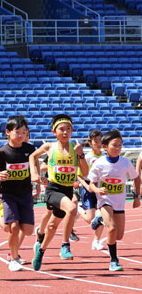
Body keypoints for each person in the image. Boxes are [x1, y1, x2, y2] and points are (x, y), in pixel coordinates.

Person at [30, 114, 88, 271]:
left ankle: (40, 251)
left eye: (68, 129)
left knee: (52, 226)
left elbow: (85, 171)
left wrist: (81, 155)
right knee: (71, 208)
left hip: (67, 190)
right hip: (53, 190)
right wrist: (35, 174)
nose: (65, 132)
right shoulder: (49, 147)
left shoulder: (75, 149)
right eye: (61, 129)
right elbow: (32, 156)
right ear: (53, 132)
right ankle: (65, 245)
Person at [0, 116, 36, 271]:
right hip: (8, 194)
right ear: (8, 132)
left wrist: (39, 180)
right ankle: (14, 259)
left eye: (24, 132)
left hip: (25, 194)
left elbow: (35, 166)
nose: (21, 135)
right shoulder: (2, 152)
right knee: (13, 227)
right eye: (18, 132)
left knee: (27, 230)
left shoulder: (30, 150)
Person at [88, 129, 140, 271]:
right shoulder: (99, 163)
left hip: (119, 202)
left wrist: (137, 197)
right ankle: (114, 261)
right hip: (104, 201)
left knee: (119, 235)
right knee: (111, 229)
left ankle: (99, 220)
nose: (118, 148)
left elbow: (136, 177)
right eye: (114, 145)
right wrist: (97, 190)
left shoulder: (125, 163)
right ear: (105, 147)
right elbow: (91, 182)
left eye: (120, 145)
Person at [78, 129, 106, 251]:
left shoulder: (105, 157)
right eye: (95, 141)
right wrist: (85, 185)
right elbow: (79, 175)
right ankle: (78, 210)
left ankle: (96, 241)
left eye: (100, 140)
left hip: (101, 188)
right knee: (90, 219)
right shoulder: (88, 157)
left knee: (103, 215)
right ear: (90, 143)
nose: (98, 143)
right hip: (88, 187)